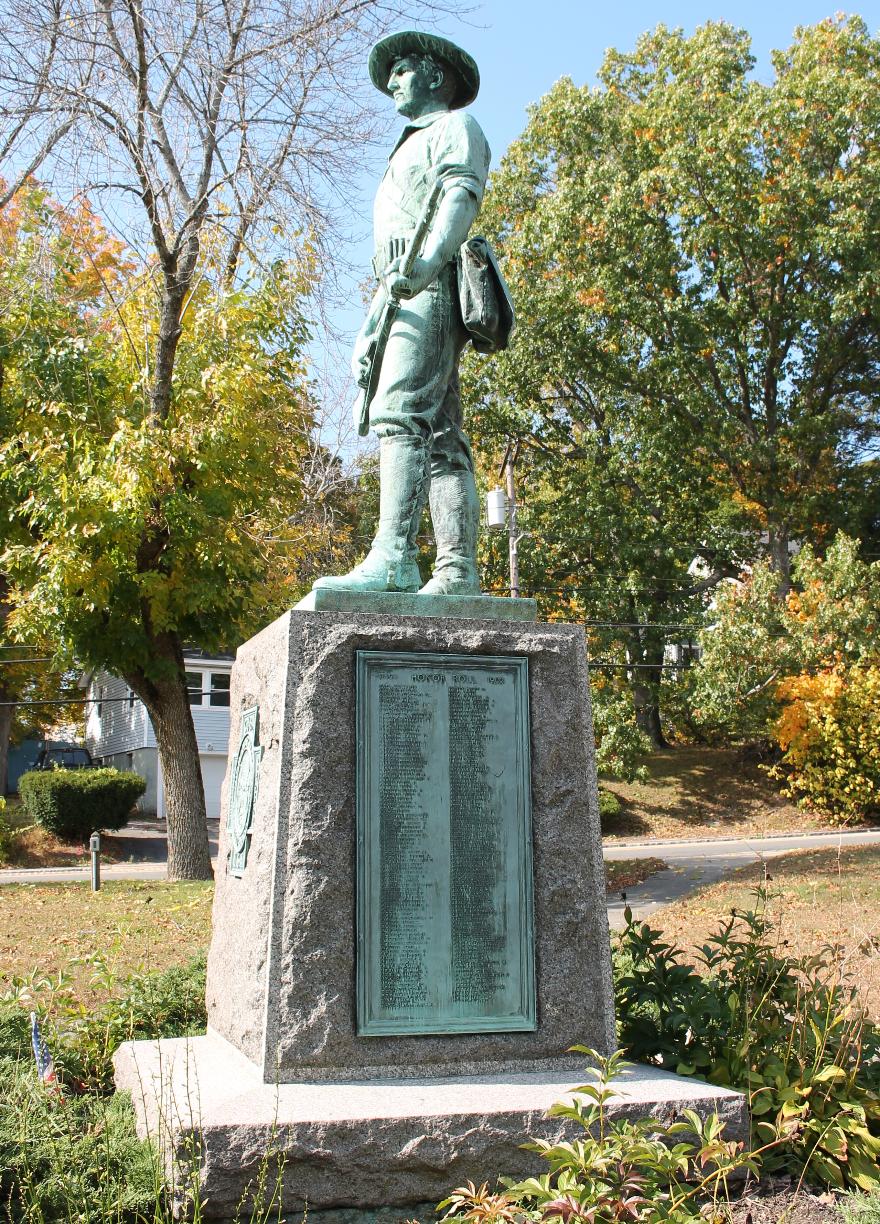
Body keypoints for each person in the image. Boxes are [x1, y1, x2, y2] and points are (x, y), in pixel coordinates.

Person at [313, 31, 491, 596]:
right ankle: (456, 571)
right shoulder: (408, 145)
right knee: (440, 433)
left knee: (400, 413)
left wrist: (429, 261)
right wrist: (371, 326)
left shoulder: (454, 129)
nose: (391, 82)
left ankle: (395, 557)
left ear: (435, 75)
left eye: (402, 69)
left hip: (429, 286)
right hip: (399, 296)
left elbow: (461, 198)